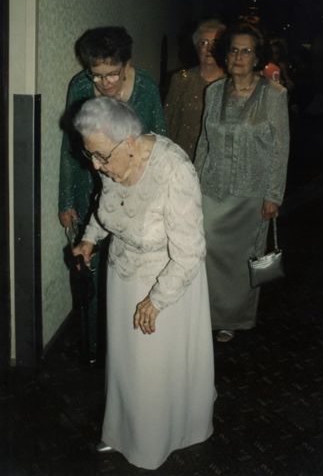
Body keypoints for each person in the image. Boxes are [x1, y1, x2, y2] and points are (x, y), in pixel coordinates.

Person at [72, 97, 216, 470]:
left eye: (101, 156)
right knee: (127, 364)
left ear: (131, 143)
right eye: (92, 155)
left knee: (154, 369)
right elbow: (107, 206)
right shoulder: (112, 157)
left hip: (167, 281)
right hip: (123, 277)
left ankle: (156, 441)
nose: (96, 165)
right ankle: (122, 432)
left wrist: (155, 300)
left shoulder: (174, 170)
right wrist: (90, 238)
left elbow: (189, 252)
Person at [58, 26, 166, 360]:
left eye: (113, 75)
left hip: (133, 190)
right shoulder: (79, 86)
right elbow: (69, 147)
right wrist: (66, 199)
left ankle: (125, 348)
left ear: (127, 63)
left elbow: (159, 145)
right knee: (90, 265)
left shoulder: (145, 88)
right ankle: (95, 348)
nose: (105, 85)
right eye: (97, 76)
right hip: (88, 185)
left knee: (124, 270)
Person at [194, 23, 290, 343]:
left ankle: (233, 319)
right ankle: (204, 312)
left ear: (257, 56)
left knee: (242, 260)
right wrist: (193, 186)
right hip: (213, 188)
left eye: (247, 50)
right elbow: (204, 143)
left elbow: (280, 147)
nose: (239, 56)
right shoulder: (214, 91)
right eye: (234, 49)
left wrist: (273, 195)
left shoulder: (274, 95)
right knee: (205, 250)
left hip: (252, 193)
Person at [164, 19, 226, 160]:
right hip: (183, 159)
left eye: (215, 43)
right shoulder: (181, 80)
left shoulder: (231, 84)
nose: (209, 49)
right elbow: (168, 121)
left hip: (218, 163)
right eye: (203, 43)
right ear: (196, 47)